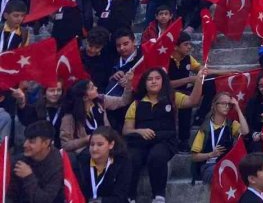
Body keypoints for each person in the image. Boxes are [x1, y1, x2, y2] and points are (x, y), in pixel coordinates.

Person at [123, 67, 206, 203]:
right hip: (140, 142)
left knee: (156, 156)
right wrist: (139, 131)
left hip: (165, 141)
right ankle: (130, 197)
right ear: (144, 83)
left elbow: (193, 101)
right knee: (132, 158)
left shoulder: (172, 97)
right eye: (150, 79)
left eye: (157, 78)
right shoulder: (136, 104)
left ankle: (159, 196)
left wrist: (198, 81)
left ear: (163, 81)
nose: (153, 82)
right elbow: (126, 130)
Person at [8, 120, 65, 203]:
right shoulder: (19, 161)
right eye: (26, 140)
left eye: (31, 142)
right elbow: (10, 194)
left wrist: (28, 177)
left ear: (46, 143)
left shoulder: (57, 165)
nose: (25, 145)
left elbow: (45, 200)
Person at [75, 127, 132, 203]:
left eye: (100, 145)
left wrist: (100, 201)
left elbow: (120, 196)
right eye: (92, 144)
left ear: (111, 144)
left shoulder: (122, 163)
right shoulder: (81, 162)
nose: (94, 149)